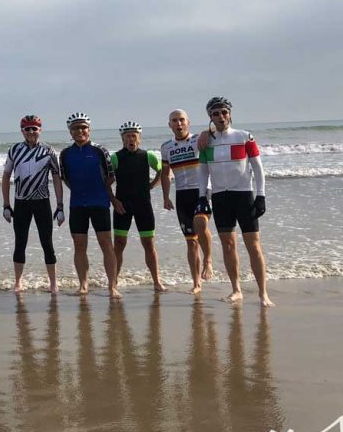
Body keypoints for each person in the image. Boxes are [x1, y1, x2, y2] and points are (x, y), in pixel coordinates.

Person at [196, 96, 274, 306]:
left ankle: (263, 294)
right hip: (221, 198)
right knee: (228, 245)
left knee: (253, 246)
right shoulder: (205, 141)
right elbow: (203, 171)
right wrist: (203, 196)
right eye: (215, 113)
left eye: (224, 112)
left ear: (230, 113)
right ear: (210, 117)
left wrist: (261, 195)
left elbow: (258, 168)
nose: (221, 117)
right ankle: (236, 289)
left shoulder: (244, 137)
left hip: (243, 195)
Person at [59, 112, 121, 298]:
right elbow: (66, 179)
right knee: (79, 245)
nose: (80, 131)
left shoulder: (99, 151)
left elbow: (111, 177)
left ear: (89, 129)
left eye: (83, 127)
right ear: (70, 131)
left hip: (99, 203)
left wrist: (104, 194)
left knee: (106, 244)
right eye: (75, 128)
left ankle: (112, 286)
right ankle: (83, 285)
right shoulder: (65, 154)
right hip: (77, 204)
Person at [1, 114, 64, 294]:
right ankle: (18, 282)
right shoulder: (14, 150)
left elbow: (56, 177)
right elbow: (5, 176)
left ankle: (53, 283)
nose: (31, 132)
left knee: (47, 243)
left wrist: (60, 206)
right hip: (21, 203)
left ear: (40, 130)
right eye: (27, 129)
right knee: (20, 243)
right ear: (22, 131)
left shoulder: (48, 151)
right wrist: (6, 205)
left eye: (34, 128)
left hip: (42, 202)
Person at [160, 109, 213, 293]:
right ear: (170, 125)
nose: (178, 123)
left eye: (182, 120)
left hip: (201, 192)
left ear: (188, 122)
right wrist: (165, 197)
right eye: (174, 120)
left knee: (201, 223)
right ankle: (196, 283)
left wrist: (207, 131)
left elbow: (218, 131)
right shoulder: (166, 147)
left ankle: (208, 259)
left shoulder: (198, 139)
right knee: (191, 242)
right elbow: (165, 174)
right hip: (181, 195)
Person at [110, 121, 166, 292]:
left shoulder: (148, 156)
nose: (131, 139)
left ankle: (157, 281)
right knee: (119, 244)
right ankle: (114, 282)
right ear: (122, 139)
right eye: (127, 136)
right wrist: (113, 200)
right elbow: (106, 182)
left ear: (139, 138)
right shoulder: (115, 158)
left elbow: (162, 171)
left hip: (143, 206)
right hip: (122, 206)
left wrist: (152, 185)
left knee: (148, 244)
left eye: (134, 135)